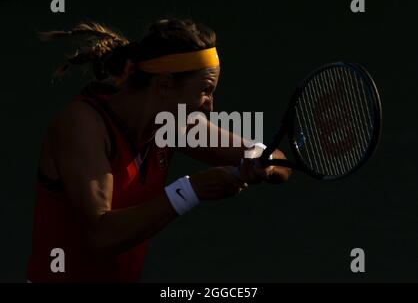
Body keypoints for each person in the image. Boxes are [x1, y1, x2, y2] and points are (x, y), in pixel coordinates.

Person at [27, 18, 291, 282]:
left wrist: (260, 160)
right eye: (205, 91)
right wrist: (191, 189)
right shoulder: (81, 124)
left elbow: (279, 163)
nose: (210, 107)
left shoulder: (177, 125)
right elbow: (101, 236)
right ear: (164, 85)